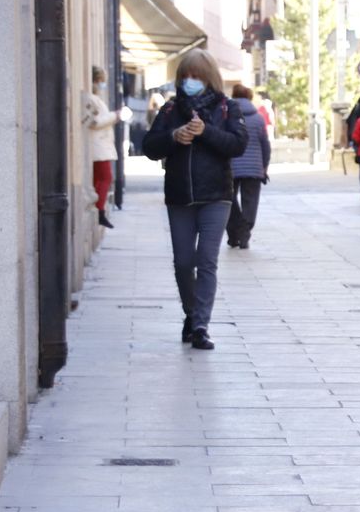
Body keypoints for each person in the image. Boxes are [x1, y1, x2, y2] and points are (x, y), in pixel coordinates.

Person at [141, 50, 248, 351]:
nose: (190, 81)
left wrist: (206, 132)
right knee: (183, 262)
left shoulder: (227, 108)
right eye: (185, 76)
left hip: (216, 196)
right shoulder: (171, 109)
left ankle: (200, 325)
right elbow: (149, 146)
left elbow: (237, 145)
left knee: (207, 261)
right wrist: (174, 136)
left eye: (196, 76)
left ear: (209, 78)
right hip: (179, 196)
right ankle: (191, 313)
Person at [226, 83, 272, 250]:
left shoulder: (227, 117)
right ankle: (244, 231)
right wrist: (264, 165)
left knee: (229, 200)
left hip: (231, 166)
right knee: (250, 201)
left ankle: (234, 233)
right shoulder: (258, 118)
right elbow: (265, 145)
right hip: (254, 167)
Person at [82, 66, 122, 228]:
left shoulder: (95, 98)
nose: (102, 85)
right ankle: (99, 210)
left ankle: (99, 209)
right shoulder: (90, 99)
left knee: (101, 178)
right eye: (100, 82)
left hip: (102, 145)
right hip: (97, 146)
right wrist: (115, 116)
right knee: (105, 177)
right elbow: (94, 122)